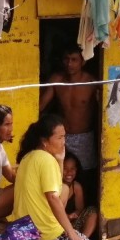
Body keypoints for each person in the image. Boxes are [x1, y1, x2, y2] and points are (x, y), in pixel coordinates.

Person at [11, 114, 90, 240]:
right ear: (44, 141)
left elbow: (57, 188)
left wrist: (60, 160)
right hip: (44, 233)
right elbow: (53, 197)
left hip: (24, 229)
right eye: (59, 138)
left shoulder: (28, 157)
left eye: (64, 136)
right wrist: (72, 234)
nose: (63, 142)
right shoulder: (47, 160)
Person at [39, 45, 99, 199]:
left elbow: (104, 109)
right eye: (66, 59)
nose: (69, 64)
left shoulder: (91, 82)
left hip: (84, 136)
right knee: (59, 173)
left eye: (74, 60)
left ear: (82, 62)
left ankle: (83, 209)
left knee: (85, 174)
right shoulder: (57, 80)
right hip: (63, 137)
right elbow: (40, 107)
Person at [59, 151, 98, 240]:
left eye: (72, 168)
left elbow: (80, 210)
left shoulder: (76, 186)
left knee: (92, 211)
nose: (69, 172)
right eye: (65, 168)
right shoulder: (54, 187)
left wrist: (74, 215)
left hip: (73, 225)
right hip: (58, 225)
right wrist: (67, 217)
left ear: (77, 170)